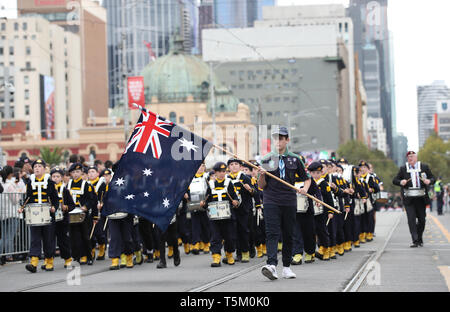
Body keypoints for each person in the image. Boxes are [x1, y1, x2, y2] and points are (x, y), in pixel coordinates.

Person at [257, 126, 310, 280]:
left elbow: (307, 178)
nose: (278, 141)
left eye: (281, 138)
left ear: (287, 140)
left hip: (289, 201)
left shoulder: (295, 158)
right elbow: (261, 186)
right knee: (272, 232)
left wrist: (304, 189)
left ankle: (286, 267)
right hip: (271, 200)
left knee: (288, 234)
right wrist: (261, 175)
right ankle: (271, 265)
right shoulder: (267, 159)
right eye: (276, 138)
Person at [19, 159, 60, 273]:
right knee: (35, 239)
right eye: (35, 166)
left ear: (44, 169)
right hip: (35, 214)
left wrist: (54, 208)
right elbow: (27, 198)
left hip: (48, 214)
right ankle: (34, 262)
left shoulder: (50, 182)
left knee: (48, 239)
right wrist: (22, 207)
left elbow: (55, 200)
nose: (37, 168)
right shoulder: (30, 182)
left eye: (39, 166)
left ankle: (49, 261)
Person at [393, 151, 435, 247]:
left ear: (416, 157)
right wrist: (401, 182)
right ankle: (415, 240)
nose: (410, 158)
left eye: (412, 156)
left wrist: (429, 181)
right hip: (409, 198)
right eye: (408, 157)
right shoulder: (403, 169)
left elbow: (433, 178)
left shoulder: (424, 167)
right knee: (411, 219)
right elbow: (394, 180)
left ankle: (419, 238)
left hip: (421, 197)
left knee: (422, 220)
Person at [201, 162, 240, 267]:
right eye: (219, 172)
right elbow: (207, 200)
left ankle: (229, 255)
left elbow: (235, 198)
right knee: (215, 236)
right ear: (215, 172)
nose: (222, 174)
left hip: (228, 215)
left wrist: (236, 202)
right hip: (214, 216)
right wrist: (203, 204)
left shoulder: (229, 183)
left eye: (224, 171)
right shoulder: (211, 184)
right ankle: (216, 257)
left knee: (229, 237)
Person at [67, 163, 97, 265]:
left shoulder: (86, 184)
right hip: (72, 214)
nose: (75, 174)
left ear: (81, 173)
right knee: (74, 237)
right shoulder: (68, 184)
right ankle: (77, 256)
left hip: (83, 214)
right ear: (71, 173)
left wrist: (86, 206)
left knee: (85, 236)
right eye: (73, 172)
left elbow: (91, 199)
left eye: (78, 172)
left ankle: (87, 256)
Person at [227, 158, 256, 263]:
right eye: (231, 164)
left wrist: (250, 189)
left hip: (244, 209)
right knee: (233, 232)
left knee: (243, 231)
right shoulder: (227, 179)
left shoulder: (246, 178)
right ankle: (236, 253)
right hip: (231, 209)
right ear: (228, 167)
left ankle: (245, 253)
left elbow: (254, 193)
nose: (234, 166)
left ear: (240, 166)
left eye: (236, 164)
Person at [50, 167, 75, 268]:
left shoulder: (65, 190)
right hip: (51, 218)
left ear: (62, 178)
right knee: (49, 240)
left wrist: (67, 207)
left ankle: (67, 258)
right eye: (53, 176)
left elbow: (72, 205)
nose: (55, 178)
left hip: (63, 219)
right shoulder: (49, 189)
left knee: (63, 240)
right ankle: (49, 260)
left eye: (57, 176)